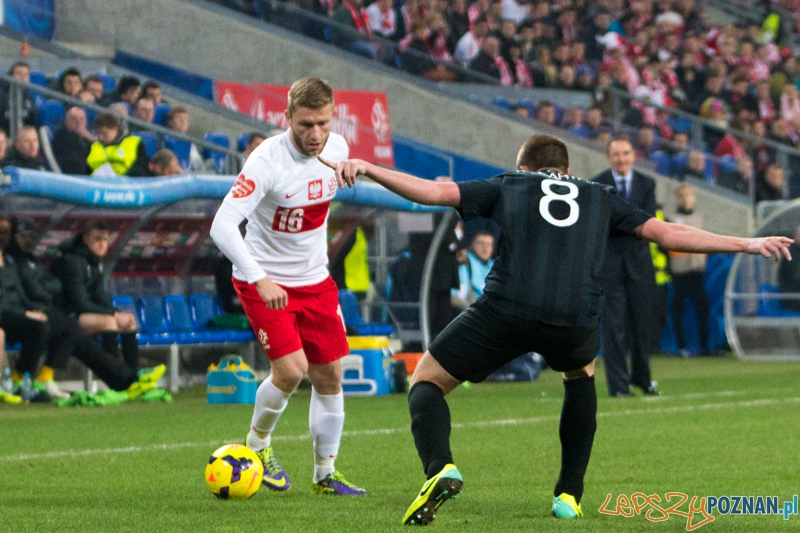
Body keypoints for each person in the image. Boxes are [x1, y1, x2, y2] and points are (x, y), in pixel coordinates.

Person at [320, 134, 793, 525]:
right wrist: (747, 243)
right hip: (574, 316)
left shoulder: (509, 184)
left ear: (525, 167)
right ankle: (568, 494)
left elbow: (430, 192)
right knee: (580, 375)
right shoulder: (602, 196)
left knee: (426, 382)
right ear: (566, 170)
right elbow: (669, 235)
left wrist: (366, 168)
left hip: (506, 308)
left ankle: (440, 467)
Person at [209, 77, 366, 496]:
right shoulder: (265, 162)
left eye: (323, 123)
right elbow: (221, 224)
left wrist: (356, 171)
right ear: (287, 119)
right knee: (292, 370)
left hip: (315, 281)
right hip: (265, 280)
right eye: (305, 125)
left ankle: (325, 473)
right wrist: (258, 277)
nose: (315, 134)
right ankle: (257, 444)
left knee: (331, 375)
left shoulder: (338, 149)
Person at [6, 217, 164, 398]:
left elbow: (53, 287)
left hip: (48, 314)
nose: (29, 240)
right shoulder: (70, 262)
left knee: (86, 334)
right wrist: (31, 305)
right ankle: (27, 381)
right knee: (83, 326)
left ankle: (129, 378)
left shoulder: (32, 261)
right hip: (51, 314)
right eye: (22, 235)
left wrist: (116, 312)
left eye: (31, 235)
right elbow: (70, 298)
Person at [593, 136, 659, 398]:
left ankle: (643, 380)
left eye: (626, 153)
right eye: (616, 154)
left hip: (640, 266)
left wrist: (622, 226)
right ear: (609, 157)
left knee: (643, 326)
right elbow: (601, 223)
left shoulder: (647, 183)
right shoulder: (597, 183)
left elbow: (649, 221)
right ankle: (619, 386)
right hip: (609, 267)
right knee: (613, 327)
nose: (621, 159)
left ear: (634, 155)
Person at [52, 220, 140, 376]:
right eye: (97, 239)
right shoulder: (73, 261)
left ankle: (133, 375)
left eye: (105, 239)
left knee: (129, 322)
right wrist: (112, 315)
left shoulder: (94, 262)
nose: (102, 244)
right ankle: (114, 376)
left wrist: (118, 313)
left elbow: (99, 295)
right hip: (65, 317)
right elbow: (79, 302)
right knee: (108, 321)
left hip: (82, 315)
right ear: (86, 239)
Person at [668, 185, 711, 356]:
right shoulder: (671, 218)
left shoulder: (699, 218)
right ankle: (681, 346)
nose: (685, 198)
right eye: (682, 195)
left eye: (688, 195)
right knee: (678, 309)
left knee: (703, 307)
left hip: (696, 270)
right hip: (679, 271)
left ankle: (704, 346)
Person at [453, 230, 494, 306]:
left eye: (489, 244)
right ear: (473, 244)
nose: (485, 247)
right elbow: (460, 293)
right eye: (481, 243)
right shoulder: (466, 261)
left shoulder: (495, 265)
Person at [52, 107, 95, 175]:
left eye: (81, 119)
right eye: (74, 118)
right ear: (66, 121)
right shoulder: (61, 137)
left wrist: (89, 137)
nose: (78, 122)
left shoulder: (88, 138)